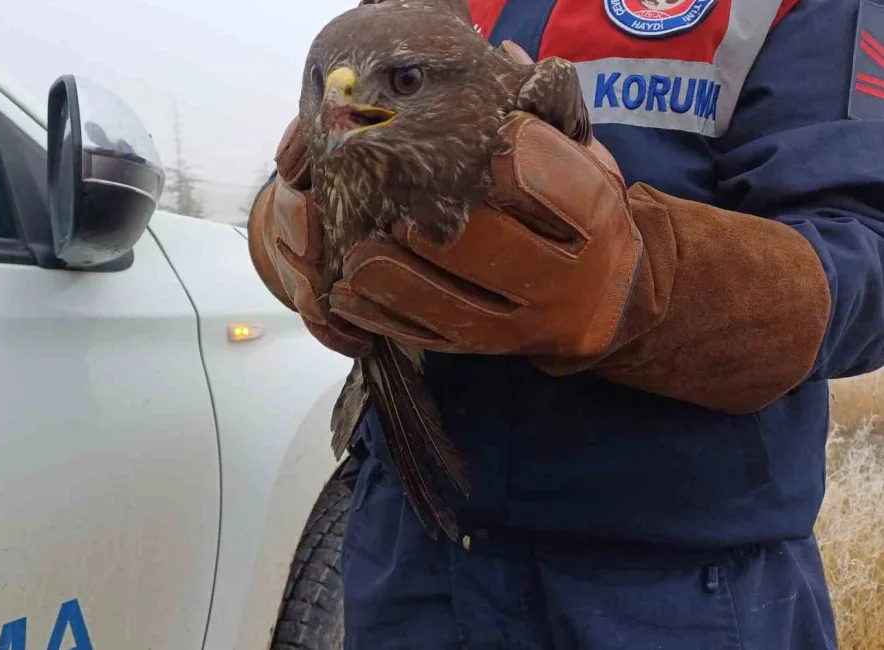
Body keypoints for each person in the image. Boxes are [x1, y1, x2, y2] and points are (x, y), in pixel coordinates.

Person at [247, 0, 884, 647]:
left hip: (675, 586)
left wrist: (644, 285)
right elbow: (302, 170)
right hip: (412, 554)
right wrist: (286, 237)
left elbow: (864, 258)